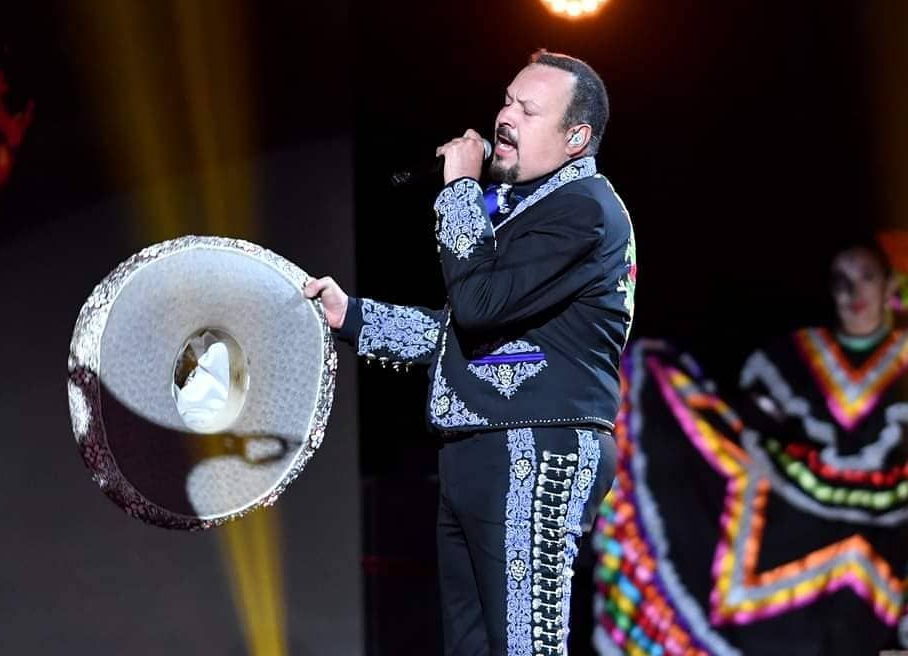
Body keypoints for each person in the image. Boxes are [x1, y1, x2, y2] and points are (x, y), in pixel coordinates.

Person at [304, 50, 636, 656]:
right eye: (507, 101)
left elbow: (478, 305)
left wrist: (460, 188)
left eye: (528, 111)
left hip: (536, 445)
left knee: (527, 647)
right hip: (476, 449)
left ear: (576, 138)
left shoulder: (585, 209)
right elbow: (462, 331)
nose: (504, 118)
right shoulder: (523, 208)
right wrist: (350, 315)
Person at [591, 237, 908, 656]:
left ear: (889, 285)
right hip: (802, 522)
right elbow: (746, 429)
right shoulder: (796, 356)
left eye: (866, 277)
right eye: (840, 280)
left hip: (892, 527)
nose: (853, 292)